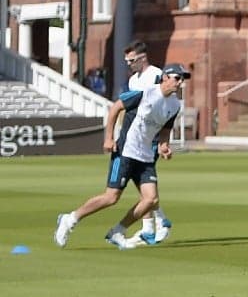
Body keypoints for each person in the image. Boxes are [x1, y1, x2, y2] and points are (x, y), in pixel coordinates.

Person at [55, 63, 190, 249]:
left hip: (146, 156)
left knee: (151, 200)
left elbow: (165, 130)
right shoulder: (144, 93)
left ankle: (117, 232)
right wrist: (109, 138)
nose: (180, 82)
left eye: (183, 79)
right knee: (111, 197)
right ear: (166, 77)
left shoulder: (174, 106)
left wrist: (164, 146)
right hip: (126, 151)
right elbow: (115, 108)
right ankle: (69, 219)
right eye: (178, 77)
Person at [121, 42, 174, 243]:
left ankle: (155, 224)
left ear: (142, 58)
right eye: (127, 61)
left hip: (151, 135)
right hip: (138, 136)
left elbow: (165, 106)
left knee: (144, 180)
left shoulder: (157, 74)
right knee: (142, 183)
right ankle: (155, 224)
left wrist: (163, 141)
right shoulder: (134, 80)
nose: (129, 64)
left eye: (132, 60)